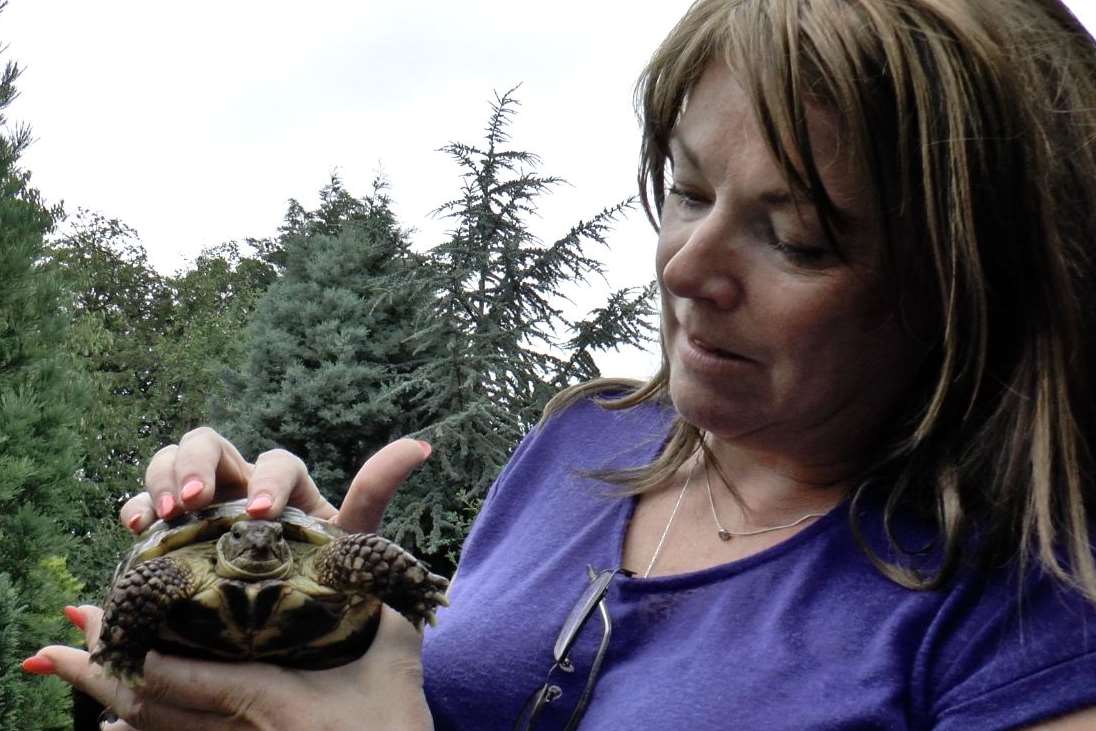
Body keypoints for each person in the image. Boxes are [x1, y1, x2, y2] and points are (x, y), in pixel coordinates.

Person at [25, 0, 1096, 728]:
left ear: (974, 289)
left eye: (796, 237)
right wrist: (304, 651)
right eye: (685, 188)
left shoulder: (1034, 617)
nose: (686, 264)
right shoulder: (587, 440)